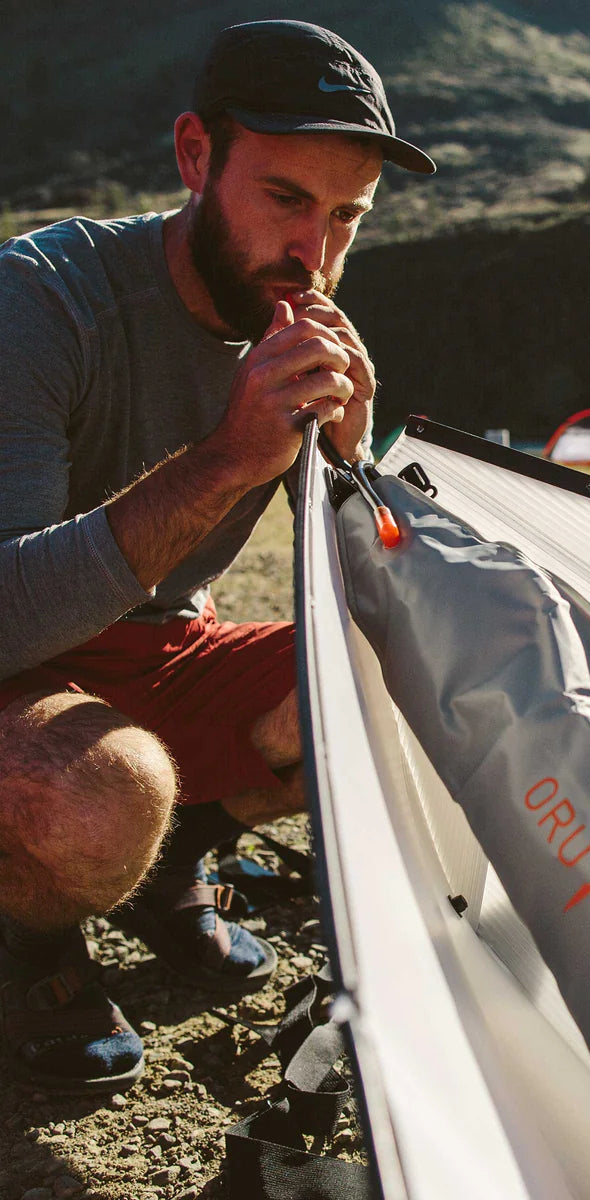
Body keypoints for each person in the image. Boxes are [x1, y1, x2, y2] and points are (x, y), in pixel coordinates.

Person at [0, 20, 435, 1094]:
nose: (315, 253)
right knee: (101, 796)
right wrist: (228, 459)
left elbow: (366, 580)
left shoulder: (285, 315)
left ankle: (166, 857)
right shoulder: (42, 301)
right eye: (287, 198)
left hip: (157, 660)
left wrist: (353, 465)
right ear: (197, 156)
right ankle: (29, 937)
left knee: (419, 673)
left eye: (347, 218)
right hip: (19, 669)